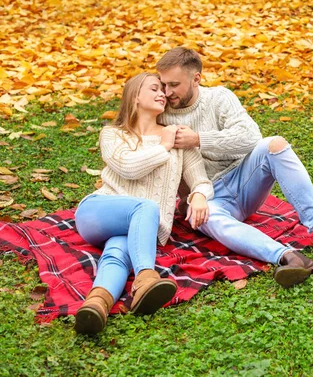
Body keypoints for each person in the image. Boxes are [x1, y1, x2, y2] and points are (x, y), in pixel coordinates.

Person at [155, 47, 313, 288]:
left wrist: (199, 139)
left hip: (244, 179)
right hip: (207, 197)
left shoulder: (218, 98)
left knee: (273, 144)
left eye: (174, 84)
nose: (167, 92)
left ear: (196, 79)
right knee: (206, 217)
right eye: (164, 84)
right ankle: (287, 257)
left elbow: (250, 137)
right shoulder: (160, 112)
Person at [73, 72, 213, 334]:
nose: (162, 93)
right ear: (135, 96)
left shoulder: (178, 137)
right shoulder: (113, 134)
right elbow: (128, 168)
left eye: (163, 89)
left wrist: (199, 195)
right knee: (146, 206)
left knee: (117, 252)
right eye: (154, 88)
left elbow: (201, 181)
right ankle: (146, 278)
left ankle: (97, 303)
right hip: (99, 212)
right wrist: (163, 146)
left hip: (140, 226)